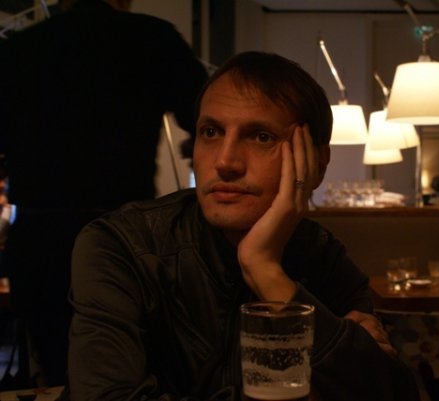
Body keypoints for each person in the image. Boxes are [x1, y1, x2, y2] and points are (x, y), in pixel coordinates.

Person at [66, 51, 419, 401]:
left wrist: (265, 269)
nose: (225, 161)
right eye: (211, 132)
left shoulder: (322, 257)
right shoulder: (123, 246)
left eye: (261, 136)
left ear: (316, 162)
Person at [0, 0, 208, 386]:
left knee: (58, 369)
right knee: (133, 368)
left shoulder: (19, 49)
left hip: (40, 233)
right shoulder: (151, 38)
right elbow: (205, 114)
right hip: (124, 231)